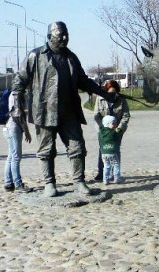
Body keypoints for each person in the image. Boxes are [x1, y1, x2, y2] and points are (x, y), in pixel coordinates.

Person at [11, 21, 114, 197]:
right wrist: (17, 106)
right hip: (45, 111)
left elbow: (83, 80)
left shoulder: (71, 57)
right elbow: (19, 81)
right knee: (46, 149)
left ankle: (79, 181)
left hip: (69, 111)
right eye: (60, 35)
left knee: (77, 146)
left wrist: (104, 93)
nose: (65, 38)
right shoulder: (35, 56)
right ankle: (49, 183)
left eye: (66, 34)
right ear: (50, 37)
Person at [92, 79, 131, 183]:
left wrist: (120, 128)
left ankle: (116, 174)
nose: (112, 95)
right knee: (103, 150)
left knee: (115, 151)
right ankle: (101, 173)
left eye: (114, 92)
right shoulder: (100, 98)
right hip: (102, 130)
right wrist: (103, 128)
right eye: (110, 92)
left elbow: (126, 115)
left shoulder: (122, 99)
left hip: (117, 130)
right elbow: (96, 115)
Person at [4, 89, 32, 192]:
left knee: (11, 156)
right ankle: (18, 183)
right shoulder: (16, 94)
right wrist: (27, 131)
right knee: (16, 156)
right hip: (13, 127)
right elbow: (18, 115)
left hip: (9, 127)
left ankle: (8, 183)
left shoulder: (17, 94)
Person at [98, 115, 123, 185]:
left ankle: (105, 180)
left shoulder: (100, 132)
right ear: (107, 124)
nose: (115, 125)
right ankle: (117, 178)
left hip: (103, 152)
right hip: (112, 152)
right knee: (116, 165)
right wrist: (118, 130)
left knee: (106, 166)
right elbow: (118, 135)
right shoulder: (113, 132)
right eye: (113, 123)